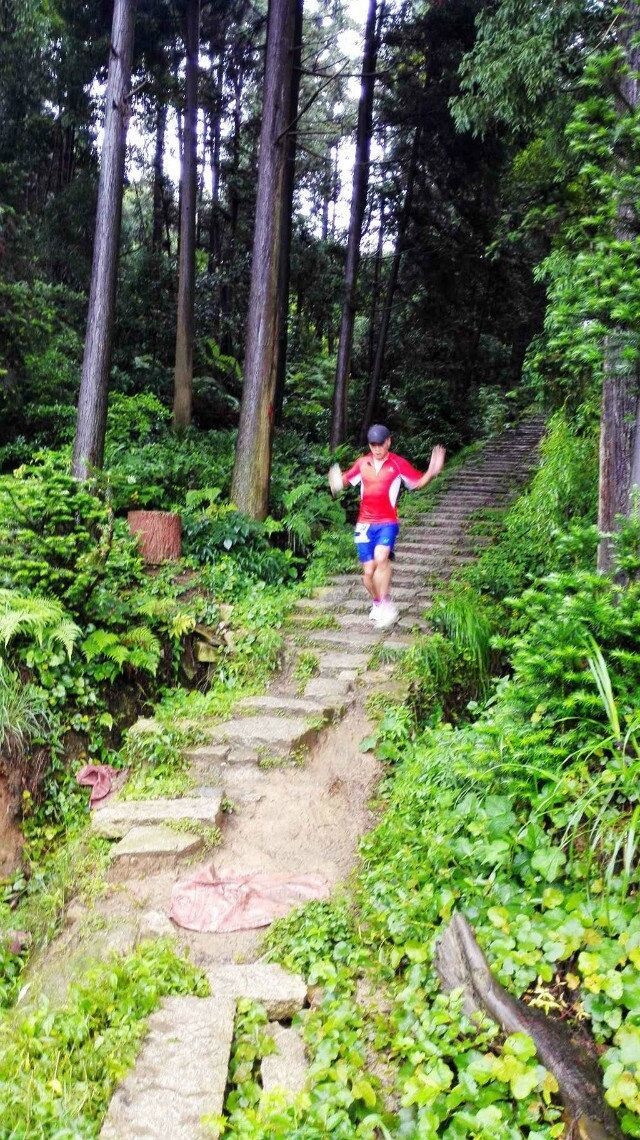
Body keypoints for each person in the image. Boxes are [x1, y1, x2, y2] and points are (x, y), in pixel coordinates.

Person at [329, 425, 446, 628]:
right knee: (367, 574)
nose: (376, 449)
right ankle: (377, 602)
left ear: (388, 442)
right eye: (372, 445)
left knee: (382, 558)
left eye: (380, 444)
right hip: (364, 524)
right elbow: (344, 481)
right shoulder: (362, 463)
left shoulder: (398, 464)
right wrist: (335, 481)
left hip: (387, 522)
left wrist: (432, 471)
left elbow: (417, 483)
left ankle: (385, 604)